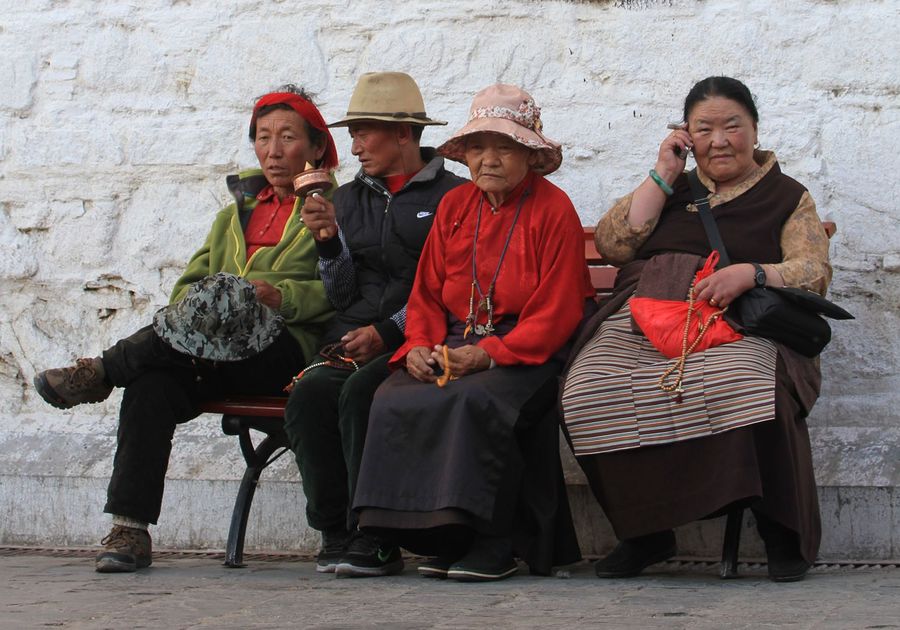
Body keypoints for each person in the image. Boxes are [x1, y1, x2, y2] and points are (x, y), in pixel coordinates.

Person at [32, 85, 339, 573]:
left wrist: (276, 295)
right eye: (263, 138)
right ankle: (130, 529)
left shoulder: (335, 211)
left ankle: (102, 370)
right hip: (210, 354)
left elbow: (343, 290)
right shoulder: (231, 217)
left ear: (317, 146)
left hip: (280, 354)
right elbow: (186, 290)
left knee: (230, 295)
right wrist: (218, 304)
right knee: (152, 382)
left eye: (287, 138)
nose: (274, 151)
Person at [560, 76, 832, 582]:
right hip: (645, 315)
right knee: (585, 390)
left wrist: (752, 273)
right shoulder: (673, 187)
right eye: (704, 129)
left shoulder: (787, 196)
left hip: (736, 320)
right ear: (686, 134)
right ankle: (644, 532)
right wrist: (664, 172)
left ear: (754, 129)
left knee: (753, 385)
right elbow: (617, 245)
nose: (719, 140)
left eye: (733, 126)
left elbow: (812, 269)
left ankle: (778, 527)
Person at [350, 84, 595, 582]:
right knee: (392, 394)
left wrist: (489, 355)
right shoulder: (456, 206)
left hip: (527, 351)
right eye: (478, 147)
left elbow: (557, 311)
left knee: (474, 399)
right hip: (453, 340)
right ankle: (430, 538)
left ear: (529, 152)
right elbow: (426, 294)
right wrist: (417, 346)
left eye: (504, 146)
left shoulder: (554, 210)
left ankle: (494, 542)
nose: (488, 160)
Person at [281, 72, 466, 576]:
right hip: (353, 336)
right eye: (354, 132)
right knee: (311, 393)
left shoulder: (455, 197)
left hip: (421, 340)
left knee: (363, 392)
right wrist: (326, 242)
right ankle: (335, 529)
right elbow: (342, 293)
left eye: (365, 131)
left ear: (404, 133)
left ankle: (376, 536)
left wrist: (389, 333)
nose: (355, 145)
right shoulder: (346, 199)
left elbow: (451, 293)